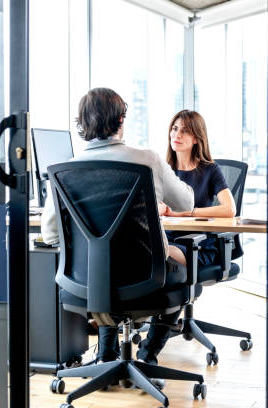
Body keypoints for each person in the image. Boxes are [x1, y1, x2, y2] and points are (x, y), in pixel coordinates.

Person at [40, 88, 194, 367]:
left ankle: (106, 354)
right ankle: (148, 352)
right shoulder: (148, 159)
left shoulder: (64, 170)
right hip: (148, 279)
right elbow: (185, 201)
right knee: (184, 271)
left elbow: (49, 234)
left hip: (84, 281)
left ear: (82, 123)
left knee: (107, 271)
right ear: (121, 119)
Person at [136, 109, 236, 365]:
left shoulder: (209, 171)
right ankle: (124, 337)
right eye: (174, 128)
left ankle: (146, 351)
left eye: (184, 130)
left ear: (196, 138)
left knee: (160, 255)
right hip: (165, 238)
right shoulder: (164, 170)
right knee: (145, 256)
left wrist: (186, 213)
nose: (176, 134)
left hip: (198, 245)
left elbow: (229, 209)